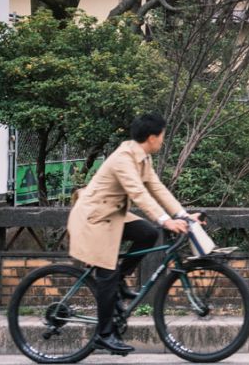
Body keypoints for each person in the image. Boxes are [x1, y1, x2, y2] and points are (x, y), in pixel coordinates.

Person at [67, 113, 201, 354]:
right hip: (94, 219)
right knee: (105, 275)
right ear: (152, 137)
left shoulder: (142, 157)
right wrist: (165, 221)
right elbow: (138, 193)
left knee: (148, 233)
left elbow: (157, 188)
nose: (163, 139)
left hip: (112, 215)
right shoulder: (123, 158)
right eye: (162, 135)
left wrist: (182, 214)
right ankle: (104, 334)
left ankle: (120, 277)